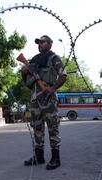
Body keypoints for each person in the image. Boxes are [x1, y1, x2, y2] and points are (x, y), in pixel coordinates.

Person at [21, 35, 67, 170]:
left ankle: (55, 158)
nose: (39, 44)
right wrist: (24, 73)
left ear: (50, 44)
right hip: (35, 99)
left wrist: (52, 89)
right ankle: (39, 156)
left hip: (48, 99)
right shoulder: (34, 60)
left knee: (53, 127)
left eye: (42, 42)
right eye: (38, 42)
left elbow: (63, 75)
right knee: (37, 128)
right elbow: (27, 81)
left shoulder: (54, 58)